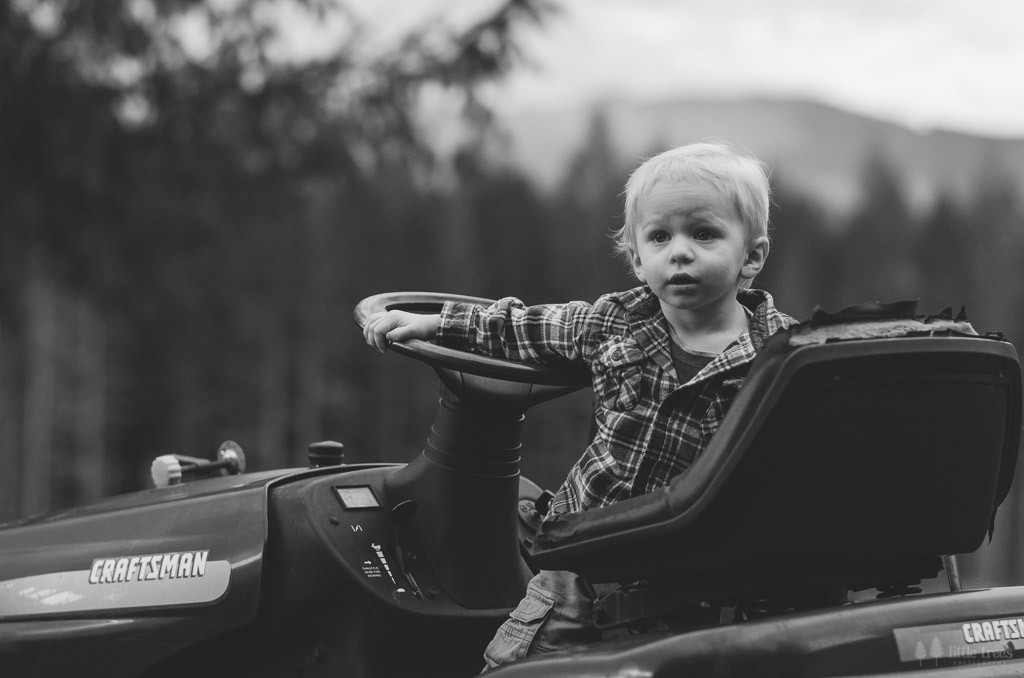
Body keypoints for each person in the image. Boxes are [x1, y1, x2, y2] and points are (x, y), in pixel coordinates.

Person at [362, 142, 796, 669]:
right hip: (583, 563)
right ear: (637, 260)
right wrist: (437, 324)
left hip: (694, 582)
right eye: (660, 237)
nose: (679, 252)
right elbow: (522, 327)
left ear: (752, 256)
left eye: (704, 234)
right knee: (520, 667)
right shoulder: (612, 323)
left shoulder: (782, 353)